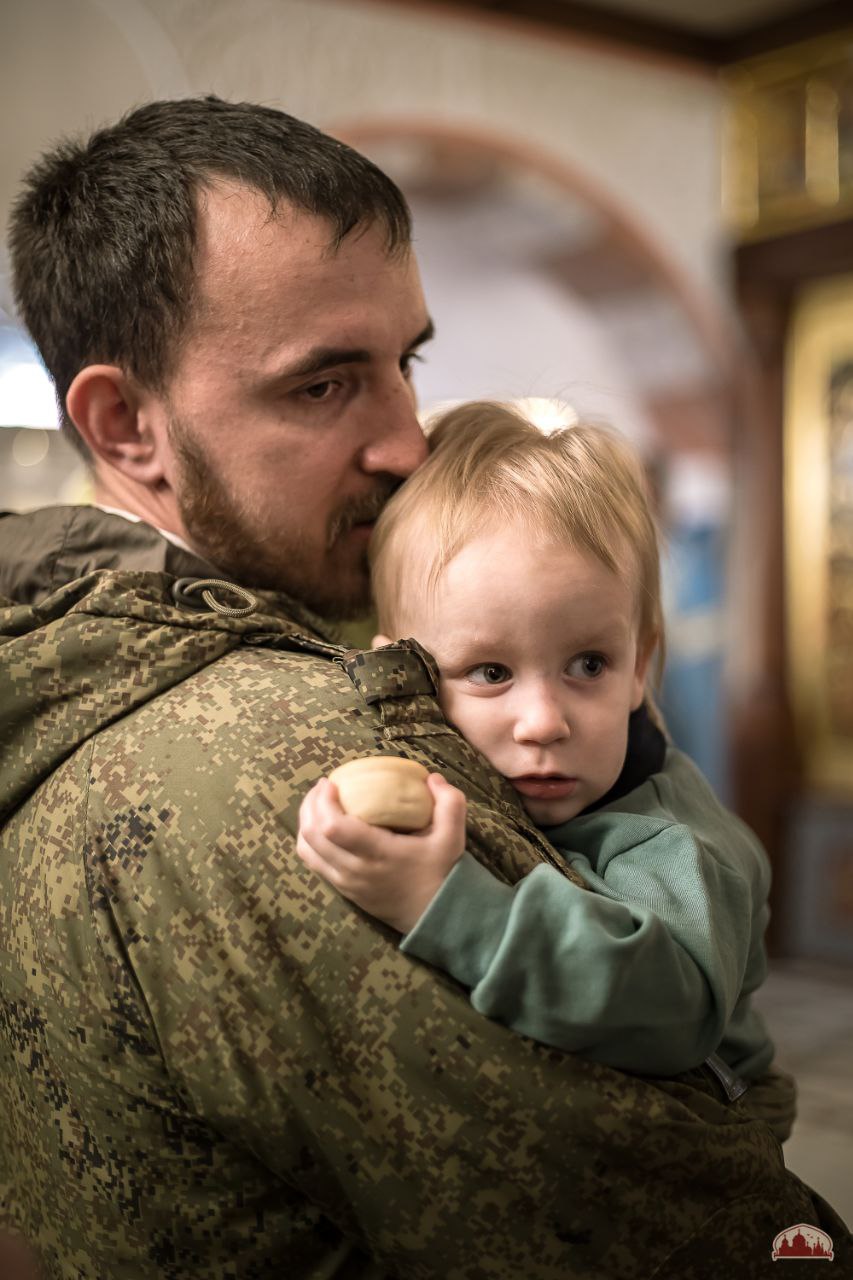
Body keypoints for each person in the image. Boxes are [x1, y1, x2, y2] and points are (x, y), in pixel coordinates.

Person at [0, 97, 848, 1280]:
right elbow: (680, 1225)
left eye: (407, 362)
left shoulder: (60, 658)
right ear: (125, 423)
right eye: (322, 384)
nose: (407, 440)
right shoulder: (297, 767)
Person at [296, 402, 790, 1132]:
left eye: (588, 664)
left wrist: (445, 903)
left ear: (638, 667)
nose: (543, 722)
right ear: (406, 677)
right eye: (490, 672)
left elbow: (667, 1013)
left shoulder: (675, 845)